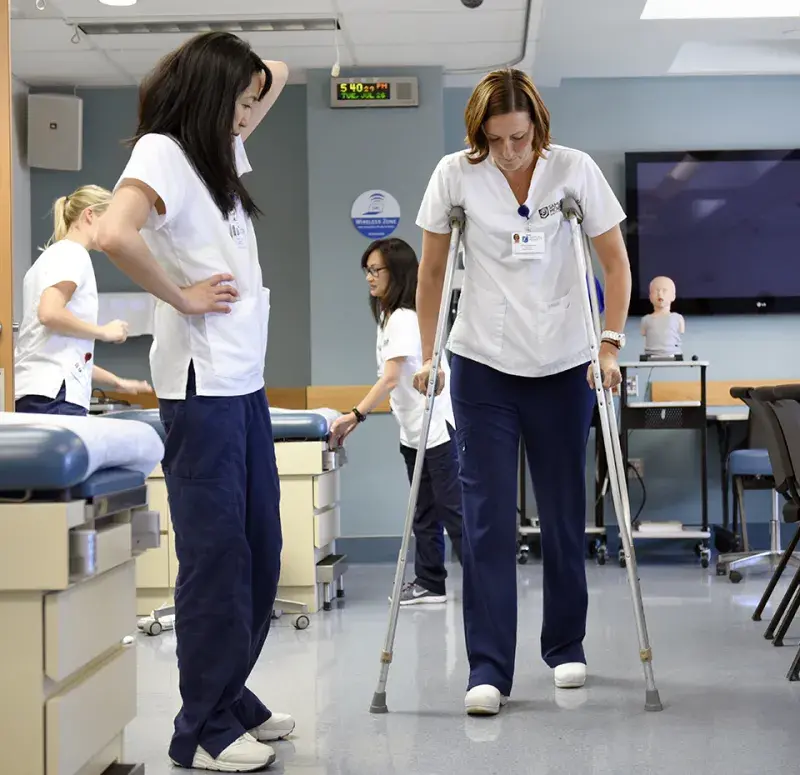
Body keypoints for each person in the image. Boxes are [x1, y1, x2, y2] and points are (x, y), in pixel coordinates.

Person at [94, 33, 290, 772]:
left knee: (262, 553)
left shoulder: (216, 155)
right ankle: (201, 728)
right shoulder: (164, 153)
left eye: (250, 103)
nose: (250, 115)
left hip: (243, 385)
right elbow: (115, 233)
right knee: (216, 559)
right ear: (211, 97)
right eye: (239, 103)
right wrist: (179, 296)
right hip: (201, 390)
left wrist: (237, 67)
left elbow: (280, 71)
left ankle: (231, 695)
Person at [413, 68, 631, 716]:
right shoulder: (454, 174)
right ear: (477, 133)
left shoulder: (575, 171)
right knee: (485, 522)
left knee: (565, 514)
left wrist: (611, 344)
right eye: (495, 139)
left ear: (537, 125)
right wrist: (430, 354)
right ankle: (487, 665)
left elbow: (615, 263)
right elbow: (429, 272)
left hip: (565, 363)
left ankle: (566, 645)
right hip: (482, 363)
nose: (509, 151)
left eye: (519, 137)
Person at [329, 237, 464, 605]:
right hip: (414, 430)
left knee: (455, 514)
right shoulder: (389, 316)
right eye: (367, 271)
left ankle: (487, 585)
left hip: (437, 429)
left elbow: (390, 378)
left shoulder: (405, 317)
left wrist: (355, 415)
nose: (370, 278)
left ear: (397, 272)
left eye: (376, 270)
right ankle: (431, 582)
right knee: (423, 511)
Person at [14, 185, 152, 416]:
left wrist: (117, 382)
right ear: (89, 215)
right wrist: (103, 332)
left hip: (42, 391)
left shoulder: (53, 257)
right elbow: (49, 313)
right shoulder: (73, 254)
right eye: (111, 221)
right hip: (54, 395)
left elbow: (66, 350)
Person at [642, 275, 684, 358]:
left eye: (664, 290)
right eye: (656, 291)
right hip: (650, 354)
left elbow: (681, 330)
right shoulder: (646, 319)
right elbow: (643, 332)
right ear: (650, 297)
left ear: (673, 296)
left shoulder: (678, 318)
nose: (660, 294)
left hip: (673, 353)